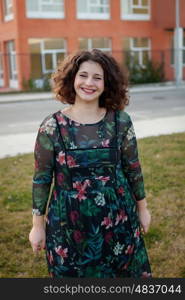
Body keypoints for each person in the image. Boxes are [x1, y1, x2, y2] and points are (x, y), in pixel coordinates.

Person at [29, 49, 152, 278]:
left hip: (119, 221)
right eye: (83, 75)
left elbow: (133, 168)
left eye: (97, 77)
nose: (89, 83)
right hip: (69, 226)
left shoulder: (120, 121)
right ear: (72, 78)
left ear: (107, 83)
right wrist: (37, 226)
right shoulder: (52, 126)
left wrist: (142, 209)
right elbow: (42, 178)